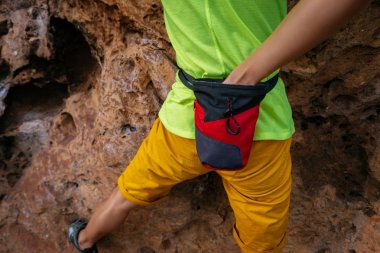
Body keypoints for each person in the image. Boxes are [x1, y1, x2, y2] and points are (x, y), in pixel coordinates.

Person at [68, 0, 370, 252]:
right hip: (259, 128)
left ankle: (83, 239)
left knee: (125, 195)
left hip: (184, 120)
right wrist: (247, 77)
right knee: (262, 245)